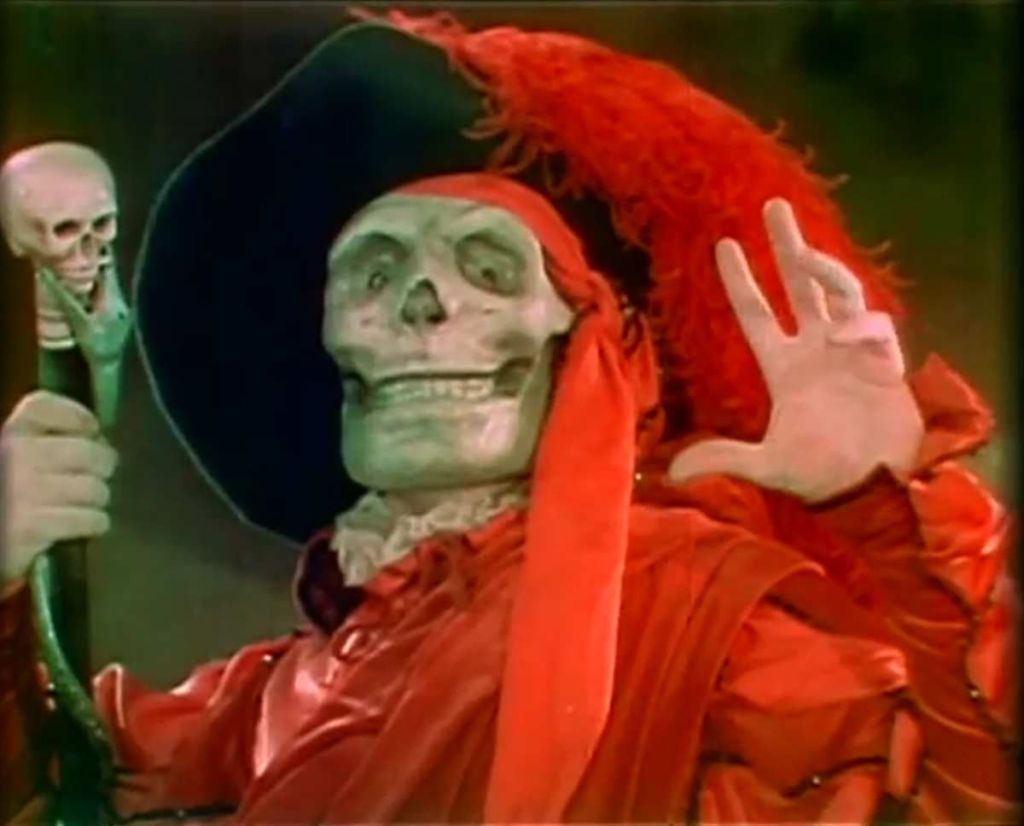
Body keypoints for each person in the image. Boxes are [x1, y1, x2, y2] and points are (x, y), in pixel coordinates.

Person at [0, 12, 1016, 824]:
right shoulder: (269, 697)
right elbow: (46, 784)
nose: (421, 304)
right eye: (373, 273)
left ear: (595, 348)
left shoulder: (714, 631)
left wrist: (892, 506)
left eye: (488, 270)